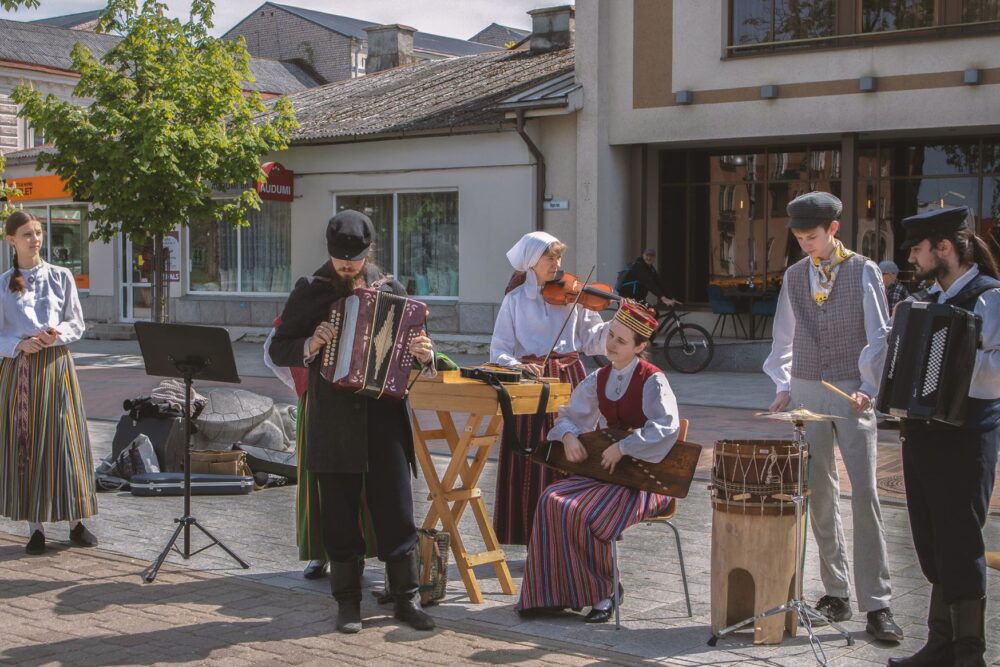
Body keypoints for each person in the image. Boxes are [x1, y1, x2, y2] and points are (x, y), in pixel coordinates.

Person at [268, 210, 436, 634]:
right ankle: (347, 602)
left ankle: (406, 598)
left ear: (368, 252)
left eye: (355, 259)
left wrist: (424, 354)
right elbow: (280, 347)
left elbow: (413, 349)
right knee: (339, 512)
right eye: (341, 259)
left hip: (383, 418)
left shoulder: (391, 288)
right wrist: (310, 342)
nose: (347, 266)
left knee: (397, 508)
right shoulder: (311, 291)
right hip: (334, 418)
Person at [762, 192, 902, 642]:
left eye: (813, 236)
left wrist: (868, 387)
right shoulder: (795, 274)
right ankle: (836, 592)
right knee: (819, 492)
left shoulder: (864, 270)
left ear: (833, 229)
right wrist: (783, 385)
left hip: (850, 391)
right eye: (800, 237)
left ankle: (877, 603)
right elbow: (783, 333)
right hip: (805, 387)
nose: (806, 244)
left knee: (865, 494)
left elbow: (879, 334)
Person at [517, 301, 680, 622]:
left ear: (640, 346)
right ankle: (554, 594)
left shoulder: (653, 380)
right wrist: (568, 437)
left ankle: (605, 591)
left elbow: (667, 427)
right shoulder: (598, 378)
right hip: (606, 474)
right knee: (552, 499)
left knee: (586, 511)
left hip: (646, 480)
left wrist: (627, 447)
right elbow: (570, 418)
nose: (611, 345)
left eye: (621, 340)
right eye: (610, 336)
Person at [886, 207, 999, 667]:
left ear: (944, 248)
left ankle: (969, 653)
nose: (912, 257)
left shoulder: (989, 298)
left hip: (967, 440)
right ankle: (941, 644)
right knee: (931, 541)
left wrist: (952, 360)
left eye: (917, 248)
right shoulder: (923, 300)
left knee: (961, 541)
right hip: (922, 438)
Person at [489, 231, 610, 545]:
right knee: (533, 455)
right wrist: (519, 365)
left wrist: (619, 325)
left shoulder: (574, 296)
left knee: (574, 453)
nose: (557, 263)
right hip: (532, 383)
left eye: (559, 256)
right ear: (532, 262)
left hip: (570, 378)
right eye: (550, 257)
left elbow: (595, 338)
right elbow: (499, 350)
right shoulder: (514, 300)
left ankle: (573, 535)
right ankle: (533, 536)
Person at [0, 210, 97, 554]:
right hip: (21, 369)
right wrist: (18, 345)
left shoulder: (61, 275)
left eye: (38, 232)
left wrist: (55, 335)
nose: (35, 239)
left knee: (65, 439)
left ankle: (76, 522)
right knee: (26, 442)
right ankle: (35, 527)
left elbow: (77, 323)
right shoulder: (2, 283)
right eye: (27, 234)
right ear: (11, 240)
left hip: (57, 367)